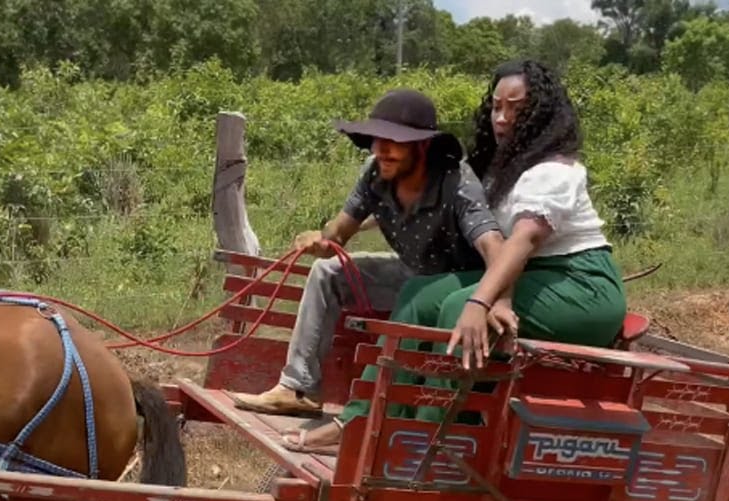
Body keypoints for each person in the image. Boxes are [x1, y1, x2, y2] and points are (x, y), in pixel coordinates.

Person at [284, 59, 628, 451]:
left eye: (517, 108)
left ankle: (430, 438)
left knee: (457, 309)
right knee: (418, 297)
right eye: (497, 106)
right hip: (529, 274)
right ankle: (361, 422)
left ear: (542, 114)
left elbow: (523, 241)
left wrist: (486, 300)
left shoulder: (553, 171)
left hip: (580, 287)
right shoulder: (502, 169)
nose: (502, 118)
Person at [230, 88, 503, 418]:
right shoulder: (375, 173)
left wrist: (495, 300)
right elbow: (339, 233)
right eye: (376, 139)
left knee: (422, 294)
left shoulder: (457, 182)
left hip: (453, 285)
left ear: (423, 145)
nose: (381, 150)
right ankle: (298, 388)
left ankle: (396, 407)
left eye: (394, 141)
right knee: (327, 271)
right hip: (410, 273)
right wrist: (321, 240)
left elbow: (494, 247)